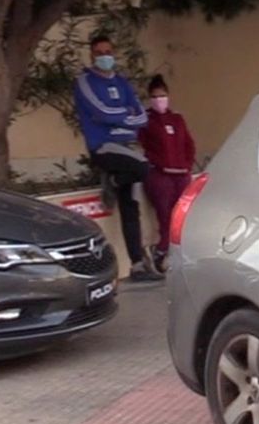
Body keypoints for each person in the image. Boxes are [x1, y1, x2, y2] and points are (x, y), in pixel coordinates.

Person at [73, 36, 158, 281]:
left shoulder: (121, 81)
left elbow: (141, 116)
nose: (104, 56)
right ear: (92, 56)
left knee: (130, 208)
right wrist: (125, 115)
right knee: (144, 167)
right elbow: (99, 112)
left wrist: (121, 117)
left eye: (108, 51)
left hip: (127, 146)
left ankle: (138, 265)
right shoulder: (85, 81)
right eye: (99, 52)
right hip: (105, 146)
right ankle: (114, 181)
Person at [138, 74, 196, 273]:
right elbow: (143, 146)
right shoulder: (145, 121)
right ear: (150, 98)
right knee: (165, 217)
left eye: (162, 96)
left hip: (181, 174)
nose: (159, 100)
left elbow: (189, 144)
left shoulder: (177, 119)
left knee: (183, 217)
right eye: (155, 96)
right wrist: (158, 164)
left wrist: (186, 165)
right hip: (160, 176)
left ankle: (178, 255)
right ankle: (161, 253)